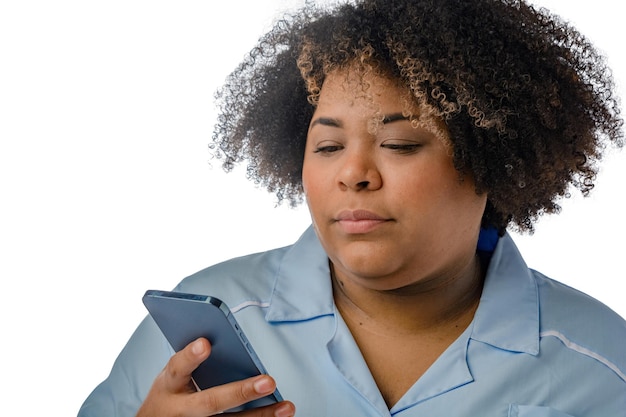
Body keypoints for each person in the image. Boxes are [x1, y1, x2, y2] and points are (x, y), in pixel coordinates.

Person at [78, 0, 626, 416]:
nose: (353, 173)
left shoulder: (601, 367)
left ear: (494, 161)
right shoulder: (197, 338)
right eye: (328, 146)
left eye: (400, 144)